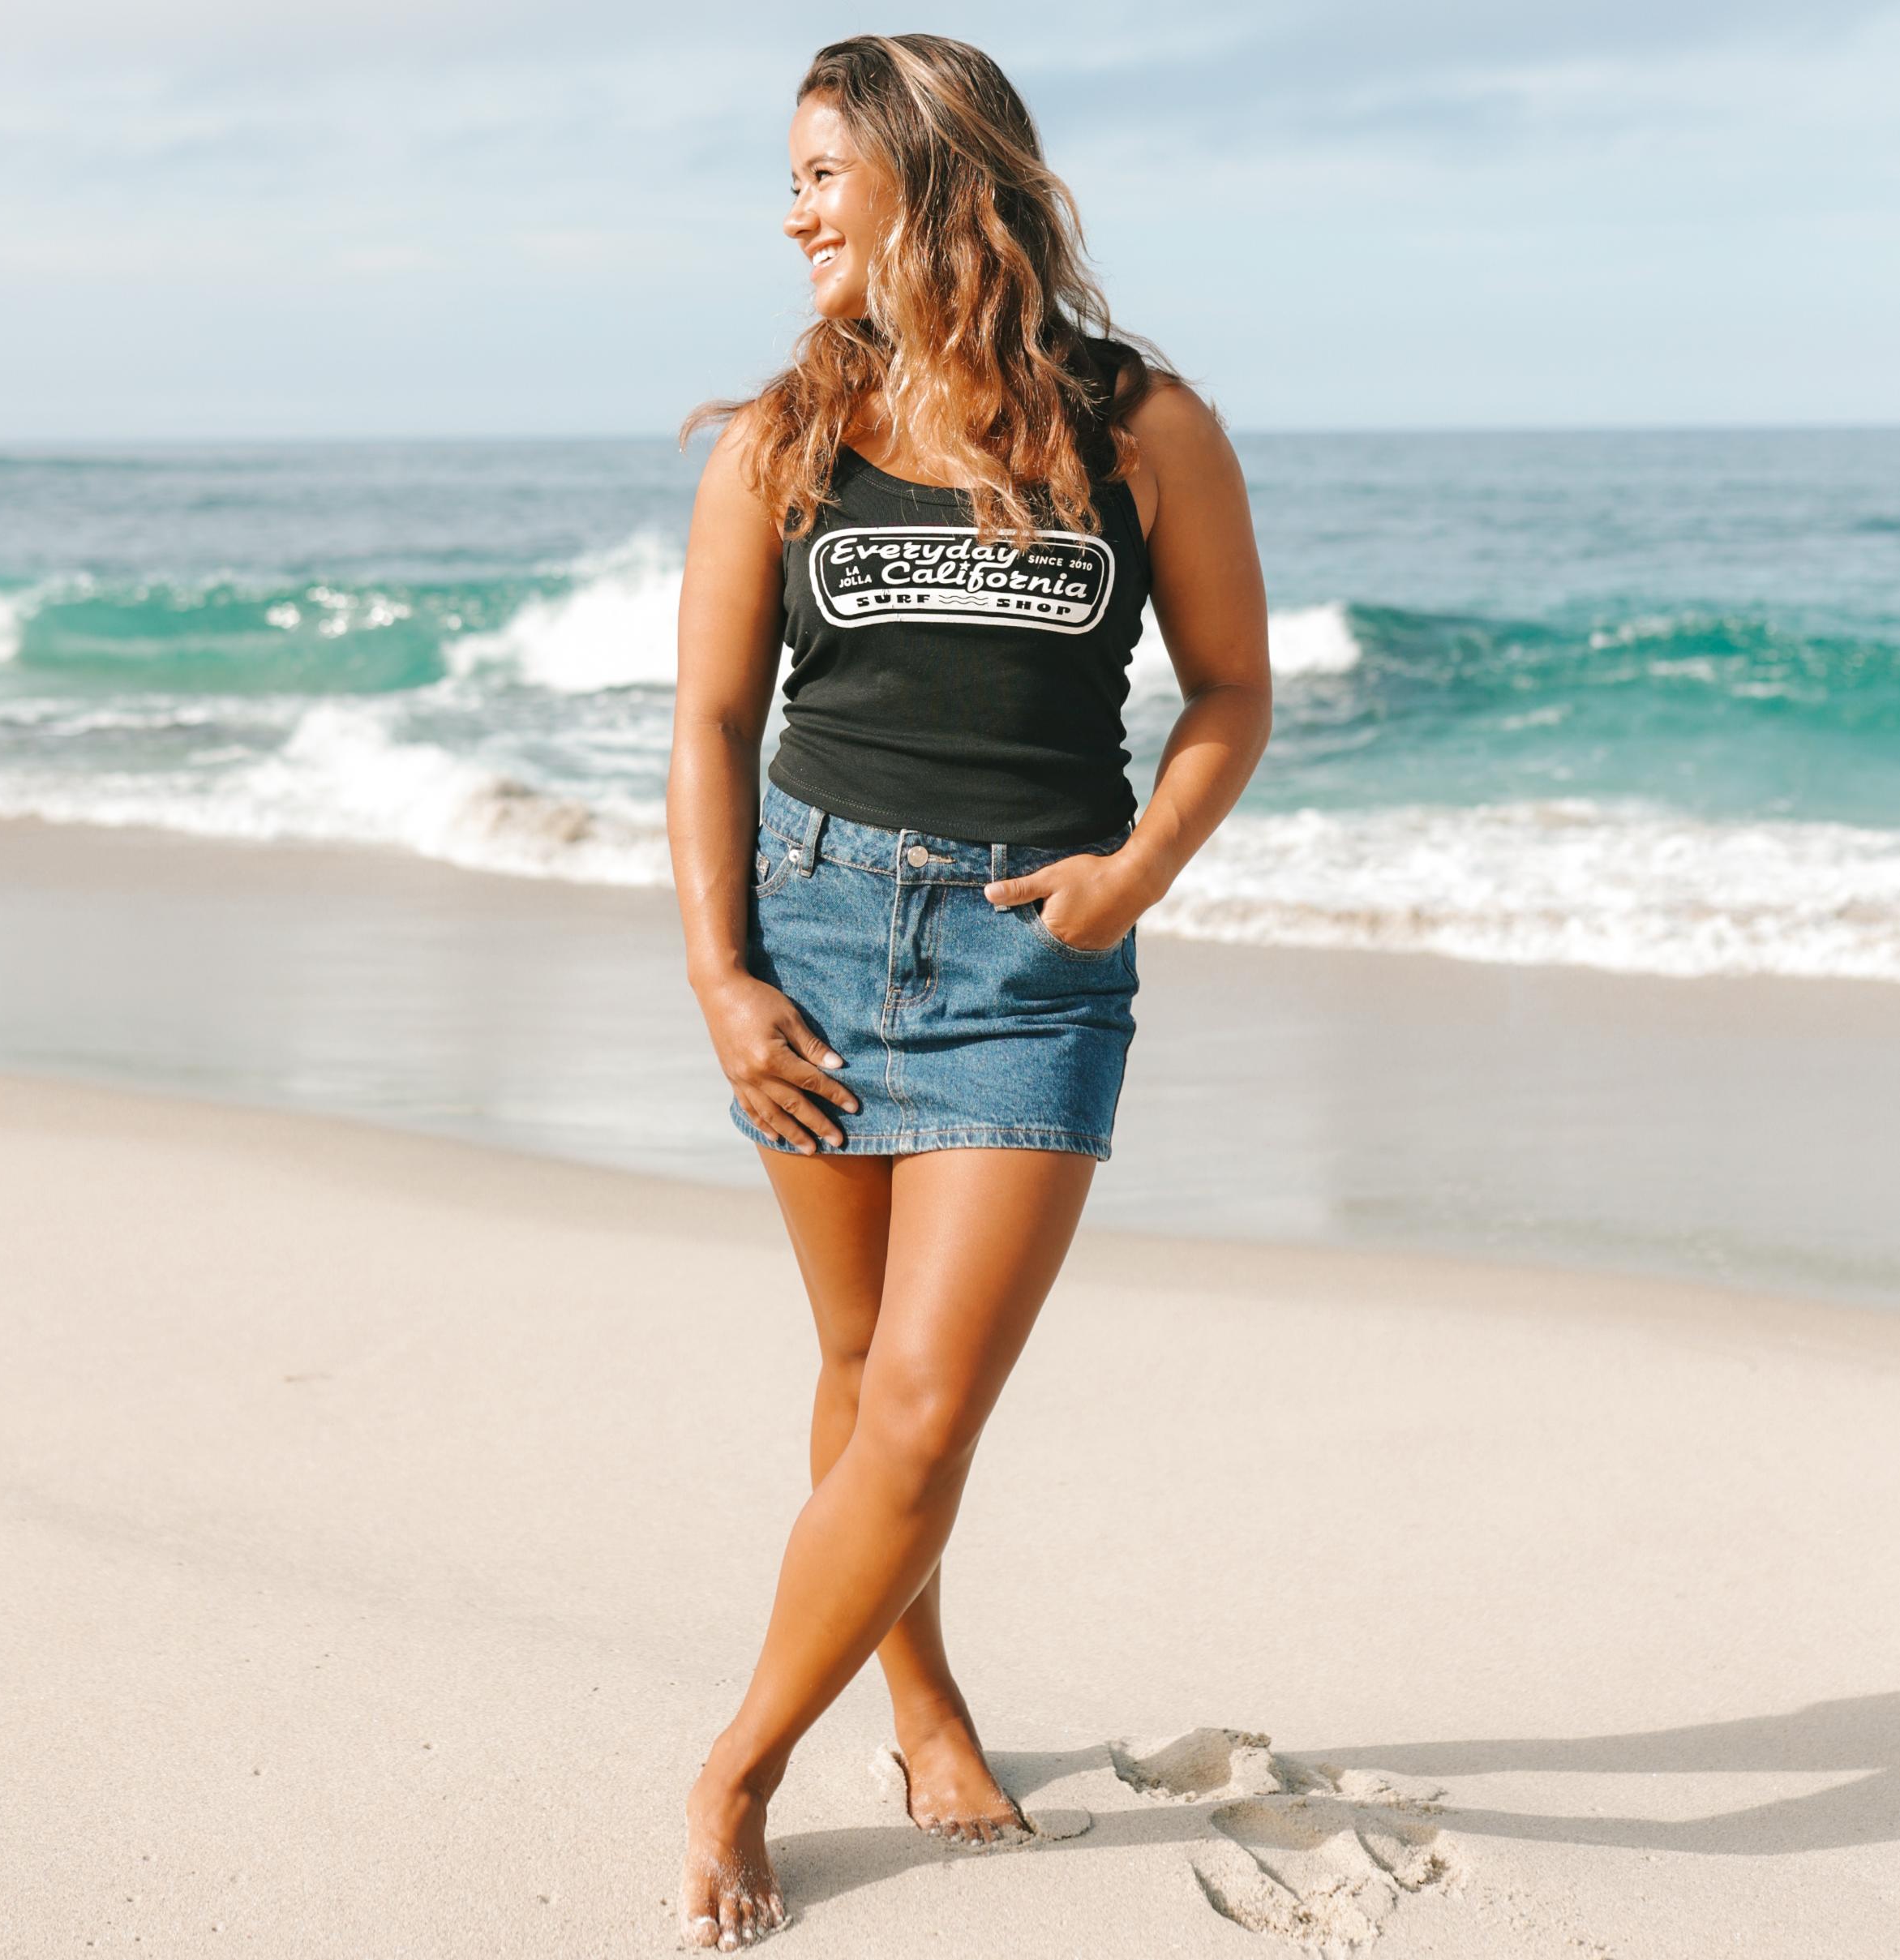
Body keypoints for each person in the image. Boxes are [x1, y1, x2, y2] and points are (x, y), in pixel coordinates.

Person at [665, 32, 1271, 1951]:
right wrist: (719, 976)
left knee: (920, 1414)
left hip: (1035, 965)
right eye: (790, 178)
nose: (793, 212)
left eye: (823, 174)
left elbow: (1233, 695)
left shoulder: (1139, 422)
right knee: (857, 1379)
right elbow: (706, 719)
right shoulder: (786, 432)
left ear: (933, 175)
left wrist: (1135, 875)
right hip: (820, 933)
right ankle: (919, 1696)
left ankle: (738, 1765)